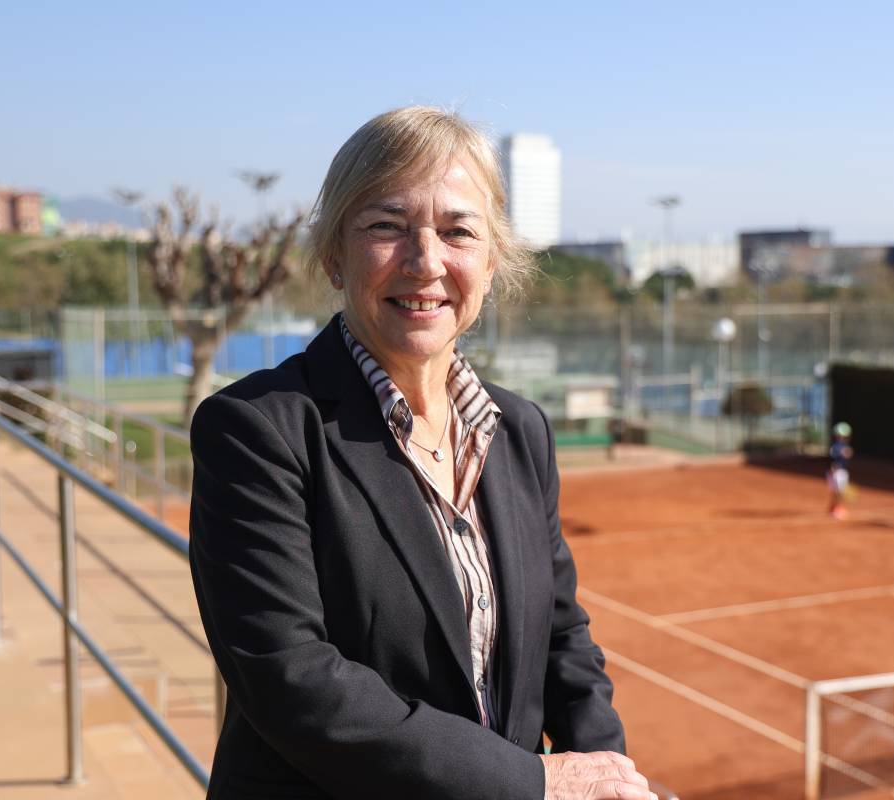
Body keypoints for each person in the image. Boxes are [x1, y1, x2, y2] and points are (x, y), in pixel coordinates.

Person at [188, 107, 656, 800]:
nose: (426, 260)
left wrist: (604, 772)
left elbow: (563, 636)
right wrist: (531, 783)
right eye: (386, 226)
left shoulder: (519, 430)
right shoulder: (258, 430)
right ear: (334, 256)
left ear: (492, 263)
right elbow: (292, 678)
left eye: (458, 231)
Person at [827, 421, 854, 519]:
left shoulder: (836, 446)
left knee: (836, 492)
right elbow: (838, 458)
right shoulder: (839, 446)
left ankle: (833, 508)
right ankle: (837, 509)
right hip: (839, 472)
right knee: (840, 492)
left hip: (837, 472)